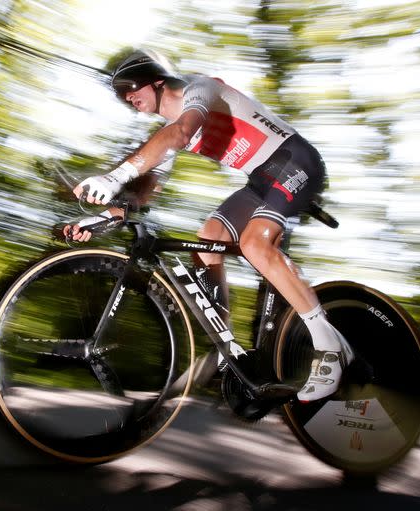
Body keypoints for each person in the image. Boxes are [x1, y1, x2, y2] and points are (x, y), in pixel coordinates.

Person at [63, 48, 353, 402]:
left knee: (254, 244)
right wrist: (103, 217)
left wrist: (115, 175)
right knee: (209, 237)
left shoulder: (199, 89)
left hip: (295, 161)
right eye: (122, 95)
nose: (128, 97)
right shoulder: (166, 130)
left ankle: (329, 346)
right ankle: (225, 349)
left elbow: (182, 134)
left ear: (157, 80)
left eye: (131, 87)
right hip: (260, 181)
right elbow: (144, 190)